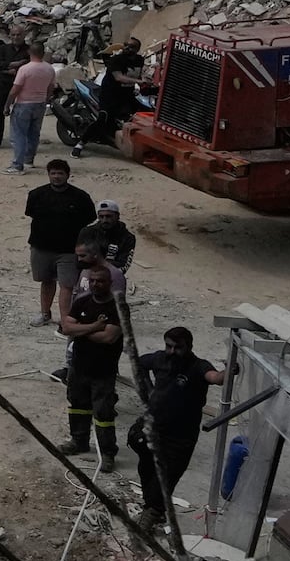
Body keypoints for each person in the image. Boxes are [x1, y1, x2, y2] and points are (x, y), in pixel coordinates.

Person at [133, 325, 225, 512]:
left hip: (180, 438)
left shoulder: (198, 367)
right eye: (169, 346)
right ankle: (151, 508)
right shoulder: (160, 359)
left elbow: (216, 378)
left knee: (166, 479)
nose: (172, 351)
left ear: (189, 346)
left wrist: (229, 369)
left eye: (178, 347)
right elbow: (139, 363)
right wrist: (148, 389)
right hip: (154, 429)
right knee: (147, 472)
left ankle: (153, 513)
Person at [57, 264, 126, 472]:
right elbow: (66, 327)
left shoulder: (118, 307)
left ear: (110, 283)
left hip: (103, 370)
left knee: (103, 413)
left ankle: (107, 453)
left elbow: (108, 337)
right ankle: (78, 441)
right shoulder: (82, 301)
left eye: (101, 281)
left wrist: (80, 330)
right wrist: (94, 327)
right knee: (77, 404)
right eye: (93, 281)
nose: (96, 284)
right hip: (79, 366)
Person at [23, 157, 96, 323]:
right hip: (41, 248)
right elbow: (30, 213)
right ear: (48, 174)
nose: (56, 176)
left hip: (68, 250)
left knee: (67, 285)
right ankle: (45, 314)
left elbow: (90, 218)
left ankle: (66, 320)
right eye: (53, 173)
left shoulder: (80, 197)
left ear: (68, 175)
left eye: (60, 173)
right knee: (46, 281)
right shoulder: (36, 194)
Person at [6, 41, 60, 169]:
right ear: (43, 53)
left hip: (23, 104)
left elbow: (15, 89)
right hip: (40, 104)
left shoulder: (25, 69)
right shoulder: (49, 69)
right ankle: (29, 160)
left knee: (19, 135)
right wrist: (45, 100)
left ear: (29, 52)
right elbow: (51, 88)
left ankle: (17, 165)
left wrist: (7, 104)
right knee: (33, 134)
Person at [79, 198, 138, 295]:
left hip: (112, 276)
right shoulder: (87, 232)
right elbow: (80, 258)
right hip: (87, 274)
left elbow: (124, 264)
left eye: (108, 216)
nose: (104, 220)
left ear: (117, 216)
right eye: (101, 216)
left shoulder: (127, 237)